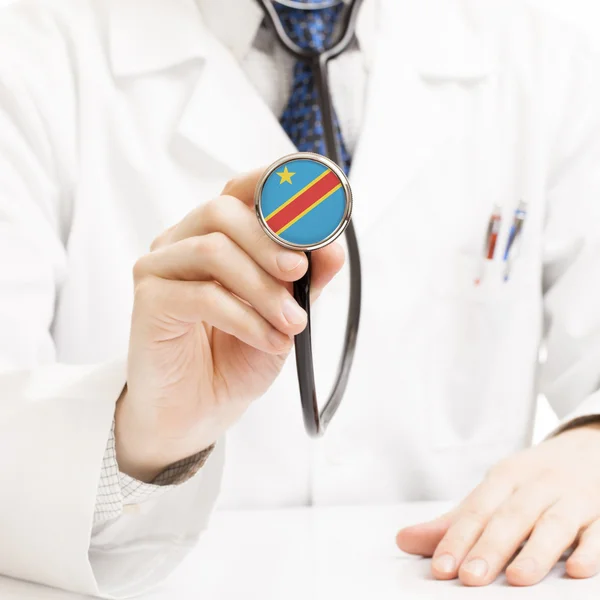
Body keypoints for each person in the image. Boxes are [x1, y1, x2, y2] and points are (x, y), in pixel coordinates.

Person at [1, 0, 600, 596]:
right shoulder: (30, 56)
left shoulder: (550, 61)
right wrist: (143, 442)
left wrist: (591, 441)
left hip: (459, 578)